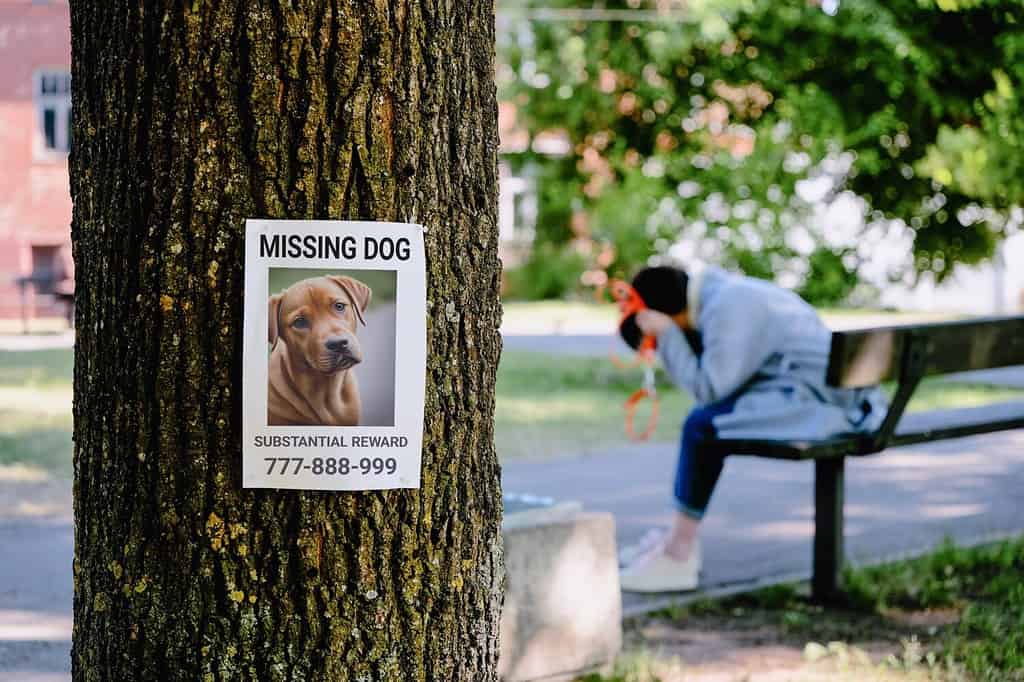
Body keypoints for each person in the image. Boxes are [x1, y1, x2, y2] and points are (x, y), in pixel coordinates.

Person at [617, 264, 888, 593]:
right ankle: (675, 538)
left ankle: (678, 553)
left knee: (702, 426)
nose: (658, 350)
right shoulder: (722, 294)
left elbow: (709, 388)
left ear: (670, 314)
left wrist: (669, 337)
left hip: (827, 402)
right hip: (827, 390)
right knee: (706, 421)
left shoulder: (726, 307)